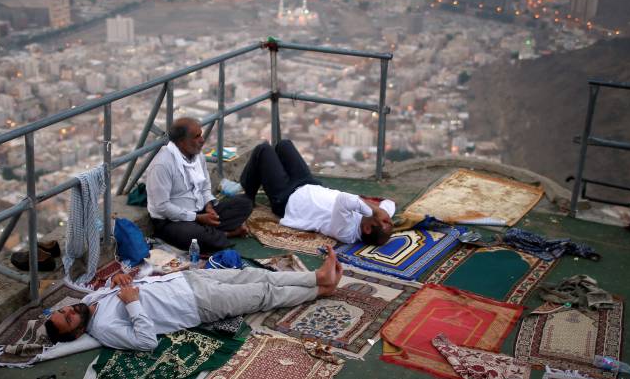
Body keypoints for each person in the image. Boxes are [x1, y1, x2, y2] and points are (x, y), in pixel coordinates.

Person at [45, 247, 344, 351]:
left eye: (66, 309)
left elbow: (116, 285)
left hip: (187, 279)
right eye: (69, 317)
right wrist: (132, 302)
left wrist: (116, 280)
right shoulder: (105, 328)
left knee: (256, 276)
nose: (72, 309)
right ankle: (320, 285)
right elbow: (147, 341)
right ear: (78, 332)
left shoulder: (93, 300)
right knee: (263, 294)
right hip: (196, 304)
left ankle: (318, 279)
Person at [240, 140, 394, 245]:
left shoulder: (346, 232)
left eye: (379, 220)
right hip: (308, 184)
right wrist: (384, 213)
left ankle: (248, 194)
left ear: (367, 229)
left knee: (263, 150)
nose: (378, 215)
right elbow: (390, 204)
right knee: (283, 145)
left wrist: (376, 210)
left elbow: (344, 200)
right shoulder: (368, 219)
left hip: (287, 199)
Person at [146, 117, 252, 253]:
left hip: (199, 211)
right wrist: (197, 218)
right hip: (172, 221)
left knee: (245, 203)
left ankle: (210, 231)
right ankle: (227, 234)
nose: (202, 140)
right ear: (182, 142)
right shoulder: (162, 165)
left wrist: (208, 206)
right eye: (197, 137)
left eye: (201, 135)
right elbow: (162, 207)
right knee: (196, 236)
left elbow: (205, 186)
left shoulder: (198, 156)